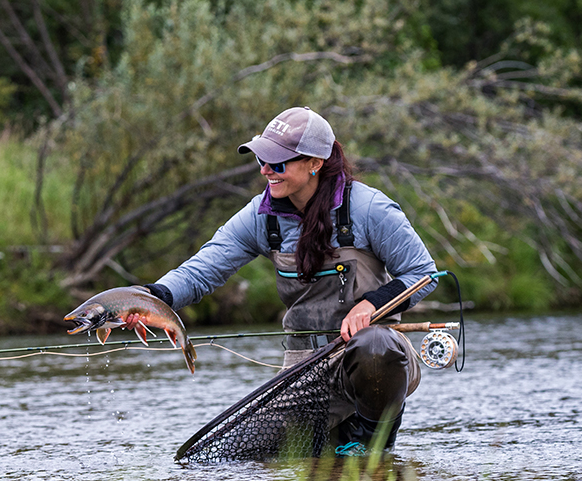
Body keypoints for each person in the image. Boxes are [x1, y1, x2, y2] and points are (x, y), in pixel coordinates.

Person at [142, 106, 438, 453]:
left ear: (315, 163)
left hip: (375, 359)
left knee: (374, 346)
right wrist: (152, 296)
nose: (266, 171)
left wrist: (371, 305)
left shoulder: (370, 208)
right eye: (262, 161)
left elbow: (423, 274)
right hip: (303, 370)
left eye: (278, 163)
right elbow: (200, 272)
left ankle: (373, 447)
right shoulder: (260, 216)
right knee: (244, 457)